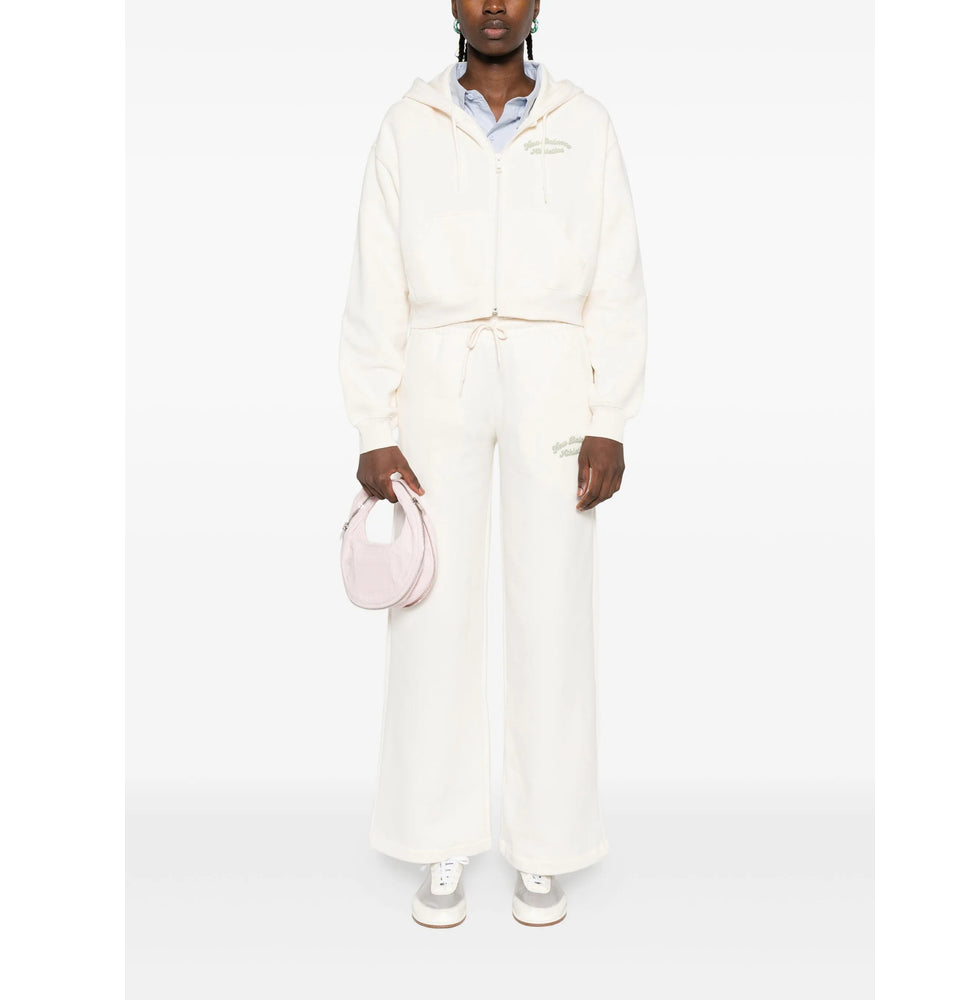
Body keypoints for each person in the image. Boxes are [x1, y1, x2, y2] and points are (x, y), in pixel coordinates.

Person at [338, 2, 647, 928]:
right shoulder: (408, 124)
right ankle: (439, 838)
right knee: (431, 607)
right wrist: (373, 424)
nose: (496, 6)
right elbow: (375, 278)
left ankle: (546, 846)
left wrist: (609, 416)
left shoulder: (585, 123)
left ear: (539, 4)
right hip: (439, 374)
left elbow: (618, 276)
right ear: (453, 4)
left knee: (553, 608)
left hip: (554, 377)